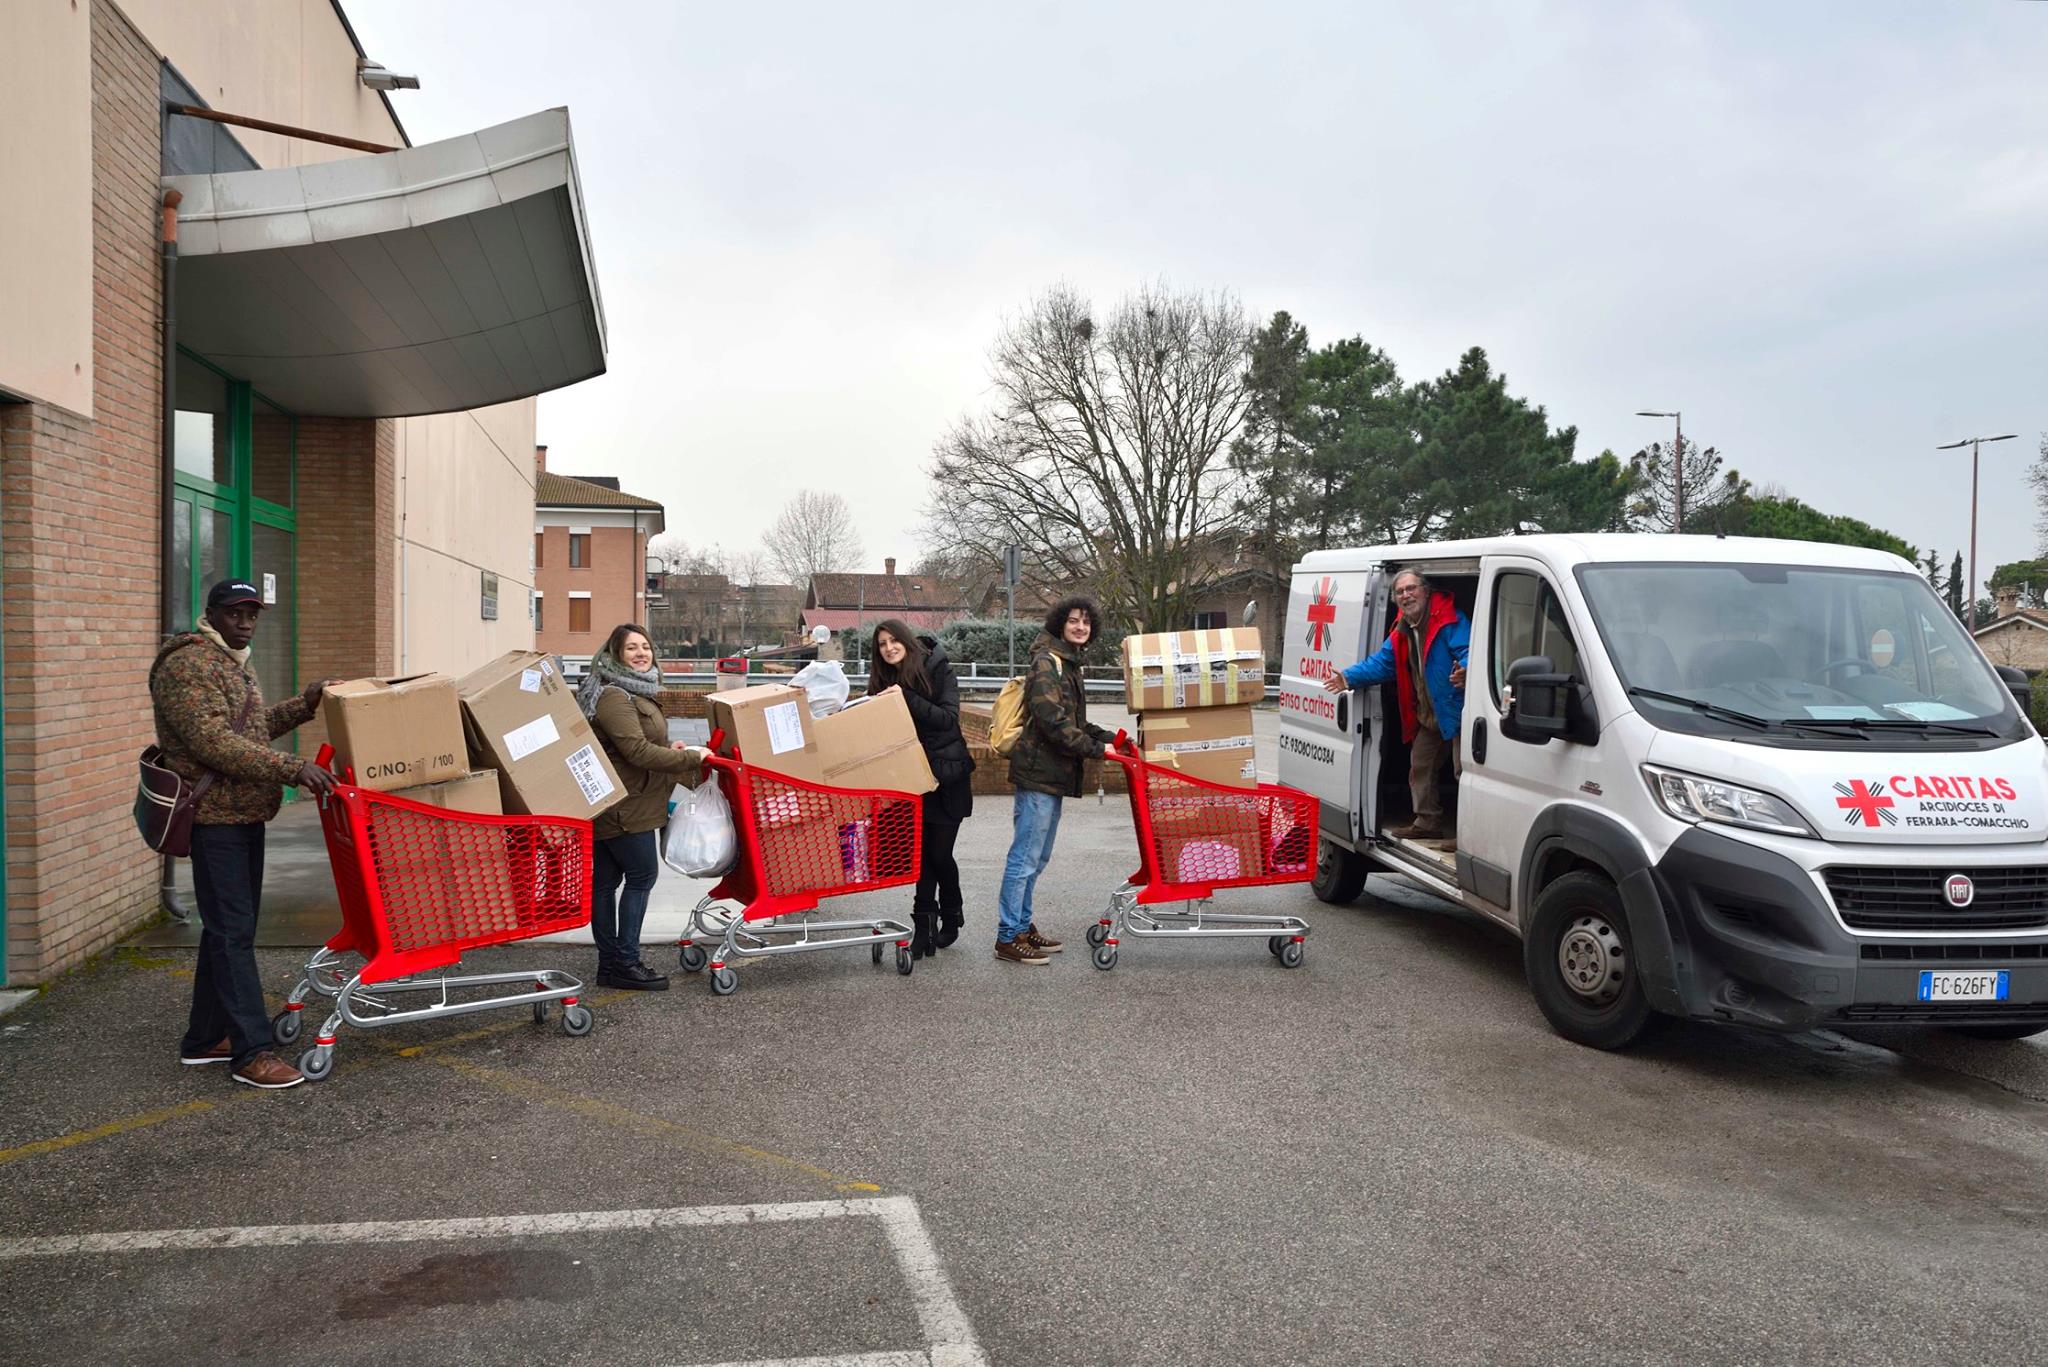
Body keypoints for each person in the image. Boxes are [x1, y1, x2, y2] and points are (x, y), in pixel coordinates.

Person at [151, 578, 338, 1089]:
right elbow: (212, 743)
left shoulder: (231, 661)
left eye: (252, 614)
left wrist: (304, 704)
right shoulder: (189, 665)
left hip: (241, 816)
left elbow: (249, 733)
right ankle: (251, 1053)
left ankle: (205, 1039)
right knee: (233, 935)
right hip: (215, 822)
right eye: (235, 613)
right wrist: (292, 768)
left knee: (227, 931)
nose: (245, 623)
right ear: (210, 614)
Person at [577, 624, 708, 991]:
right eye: (631, 648)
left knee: (606, 883)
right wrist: (691, 758)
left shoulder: (634, 692)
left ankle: (610, 965)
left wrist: (670, 750)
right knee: (641, 877)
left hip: (624, 802)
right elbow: (635, 751)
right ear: (615, 654)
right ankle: (626, 962)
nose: (641, 653)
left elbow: (638, 744)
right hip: (625, 806)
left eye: (645, 646)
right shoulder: (615, 696)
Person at [997, 594, 1116, 966]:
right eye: (1074, 621)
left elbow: (1075, 722)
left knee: (1037, 857)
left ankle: (1021, 926)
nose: (1081, 627)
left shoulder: (1068, 662)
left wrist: (1112, 739)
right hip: (1039, 774)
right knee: (1024, 858)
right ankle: (1007, 937)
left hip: (1052, 775)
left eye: (1086, 622)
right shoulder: (1048, 661)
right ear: (1060, 623)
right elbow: (1052, 722)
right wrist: (1096, 749)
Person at [1323, 568, 1470, 842]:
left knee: (1465, 773)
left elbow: (1470, 649)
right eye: (1400, 591)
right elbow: (1383, 663)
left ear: (1425, 591)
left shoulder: (1449, 618)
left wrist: (1465, 668)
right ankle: (1428, 822)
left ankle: (1468, 837)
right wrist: (1348, 677)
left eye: (1411, 588)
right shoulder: (1404, 628)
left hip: (1457, 710)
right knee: (1420, 766)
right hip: (1430, 712)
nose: (1406, 595)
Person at [868, 619, 975, 959]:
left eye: (893, 640)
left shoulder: (938, 668)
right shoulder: (882, 680)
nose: (889, 648)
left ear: (906, 640)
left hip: (947, 778)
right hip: (910, 779)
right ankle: (923, 928)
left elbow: (947, 718)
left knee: (938, 854)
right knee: (921, 857)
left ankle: (951, 913)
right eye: (882, 644)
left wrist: (905, 697)